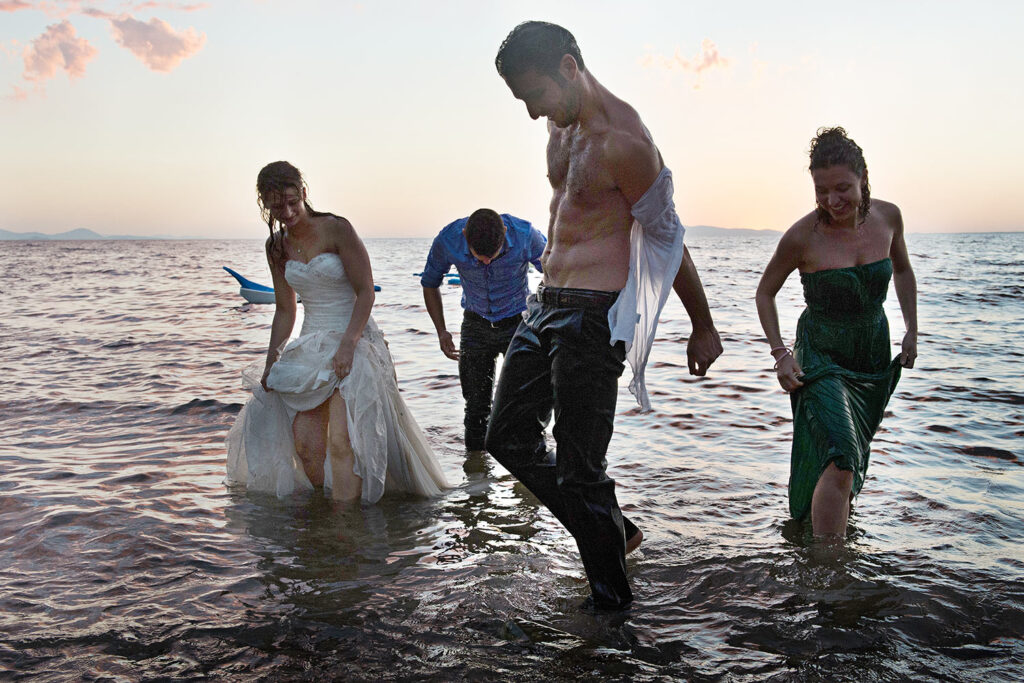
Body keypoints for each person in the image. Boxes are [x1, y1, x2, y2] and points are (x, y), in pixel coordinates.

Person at [486, 21, 723, 611]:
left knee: (579, 471)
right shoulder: (560, 132)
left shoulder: (628, 144)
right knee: (506, 438)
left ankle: (612, 618)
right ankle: (615, 531)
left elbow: (669, 238)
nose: (532, 112)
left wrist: (703, 324)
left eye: (534, 95)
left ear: (569, 67)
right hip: (544, 305)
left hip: (593, 318)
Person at [226, 161, 449, 503]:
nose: (285, 212)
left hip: (354, 338)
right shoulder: (275, 248)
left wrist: (348, 345)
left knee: (342, 441)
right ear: (264, 205)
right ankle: (328, 518)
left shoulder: (337, 229)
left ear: (303, 192)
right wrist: (272, 362)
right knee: (305, 443)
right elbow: (286, 311)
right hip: (312, 343)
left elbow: (366, 292)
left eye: (290, 202)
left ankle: (348, 525)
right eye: (275, 206)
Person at [755, 127, 918, 539]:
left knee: (848, 456)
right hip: (820, 356)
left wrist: (912, 330)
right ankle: (832, 569)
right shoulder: (802, 236)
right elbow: (765, 293)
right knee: (842, 453)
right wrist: (781, 355)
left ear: (863, 175)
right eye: (821, 191)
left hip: (870, 357)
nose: (832, 201)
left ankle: (817, 541)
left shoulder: (889, 217)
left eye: (843, 187)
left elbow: (901, 269)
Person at [420, 208, 546, 453]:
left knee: (524, 407)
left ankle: (524, 480)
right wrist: (441, 331)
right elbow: (429, 282)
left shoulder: (525, 234)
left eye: (493, 255)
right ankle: (476, 480)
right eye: (479, 256)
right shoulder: (448, 239)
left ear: (505, 233)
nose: (486, 262)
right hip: (476, 324)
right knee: (476, 410)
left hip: (518, 323)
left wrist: (543, 314)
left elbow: (557, 269)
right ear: (465, 235)